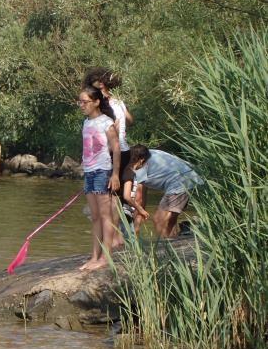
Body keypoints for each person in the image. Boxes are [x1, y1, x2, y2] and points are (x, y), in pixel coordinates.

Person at [83, 67, 143, 242]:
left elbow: (116, 129)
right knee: (115, 198)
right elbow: (130, 120)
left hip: (113, 152)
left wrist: (115, 128)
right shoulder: (118, 101)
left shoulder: (105, 104)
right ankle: (117, 237)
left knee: (112, 198)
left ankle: (115, 238)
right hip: (123, 150)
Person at [78, 86, 121, 270]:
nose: (81, 105)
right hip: (88, 172)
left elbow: (116, 148)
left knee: (106, 216)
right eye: (79, 102)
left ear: (96, 102)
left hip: (102, 172)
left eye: (85, 102)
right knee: (95, 216)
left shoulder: (106, 122)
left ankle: (106, 258)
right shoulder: (86, 123)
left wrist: (116, 174)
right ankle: (94, 256)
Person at [122, 145, 203, 238]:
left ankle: (166, 248)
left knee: (159, 219)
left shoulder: (137, 167)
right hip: (191, 177)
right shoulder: (146, 153)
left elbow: (139, 199)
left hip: (179, 182)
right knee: (170, 220)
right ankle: (174, 242)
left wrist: (135, 230)